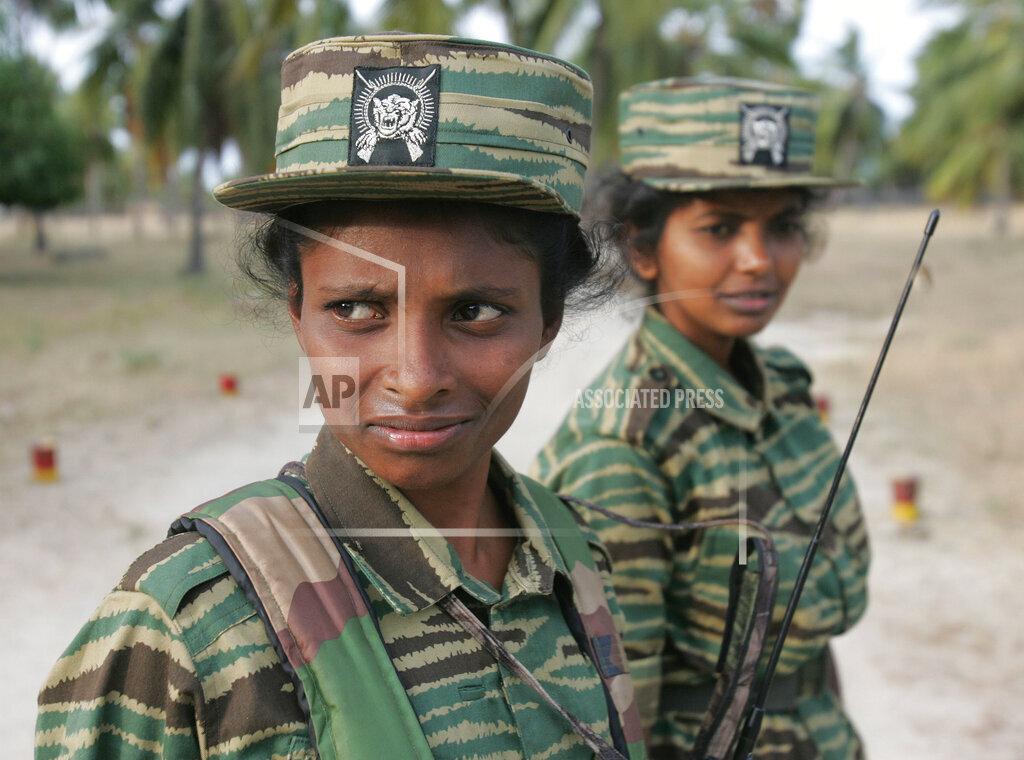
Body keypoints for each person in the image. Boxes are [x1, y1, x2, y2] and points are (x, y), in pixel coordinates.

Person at [35, 34, 646, 760]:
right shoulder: (189, 627)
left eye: (475, 312)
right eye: (357, 310)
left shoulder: (573, 559)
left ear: (549, 319)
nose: (415, 379)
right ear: (297, 310)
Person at [533, 77, 870, 759]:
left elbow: (804, 644)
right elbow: (626, 717)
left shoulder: (779, 383)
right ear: (643, 247)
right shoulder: (624, 448)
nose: (758, 259)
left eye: (781, 227)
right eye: (719, 229)